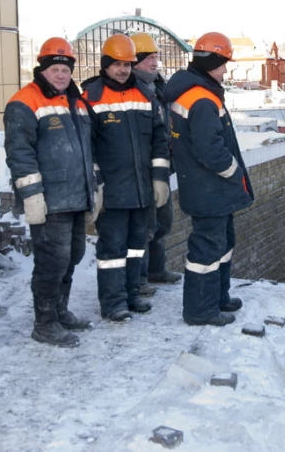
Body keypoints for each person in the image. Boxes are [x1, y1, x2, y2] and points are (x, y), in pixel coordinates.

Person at [4, 37, 98, 347]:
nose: (61, 75)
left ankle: (60, 312)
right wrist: (31, 195)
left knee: (73, 255)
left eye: (65, 69)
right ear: (42, 70)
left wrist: (93, 187)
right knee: (52, 261)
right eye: (55, 69)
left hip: (75, 195)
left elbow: (88, 149)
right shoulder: (25, 102)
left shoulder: (75, 101)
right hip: (49, 199)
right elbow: (20, 153)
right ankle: (44, 323)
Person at [164, 32, 253, 327]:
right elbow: (210, 150)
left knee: (223, 243)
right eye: (223, 64)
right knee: (207, 249)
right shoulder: (201, 98)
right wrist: (234, 171)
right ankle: (200, 310)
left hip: (207, 187)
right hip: (209, 188)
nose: (225, 70)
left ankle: (218, 297)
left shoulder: (197, 91)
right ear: (212, 62)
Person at [83, 34, 171, 322]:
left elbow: (160, 137)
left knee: (137, 247)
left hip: (141, 189)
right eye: (117, 64)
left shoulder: (145, 95)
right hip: (112, 192)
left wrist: (159, 177)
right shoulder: (91, 97)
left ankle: (132, 295)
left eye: (127, 64)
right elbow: (87, 148)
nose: (122, 70)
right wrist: (96, 186)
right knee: (112, 251)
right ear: (105, 65)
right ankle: (113, 303)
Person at [130, 33, 183, 293]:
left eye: (156, 57)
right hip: (140, 169)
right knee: (144, 226)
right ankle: (139, 279)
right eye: (150, 58)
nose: (155, 63)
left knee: (163, 220)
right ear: (136, 60)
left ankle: (156, 269)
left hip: (162, 164)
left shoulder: (157, 86)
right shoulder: (131, 89)